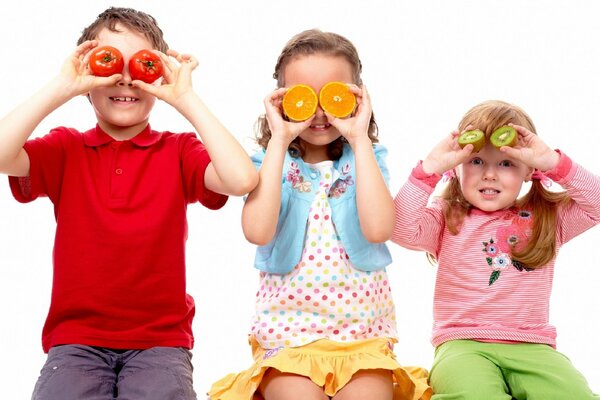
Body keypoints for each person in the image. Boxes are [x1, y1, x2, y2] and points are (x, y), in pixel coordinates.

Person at [0, 7, 257, 400]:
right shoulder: (66, 147)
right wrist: (61, 86)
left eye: (141, 65)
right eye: (108, 64)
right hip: (75, 339)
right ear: (87, 79)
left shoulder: (178, 150)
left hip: (161, 341)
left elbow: (241, 180)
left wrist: (184, 97)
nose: (124, 78)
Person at [208, 29, 431, 400]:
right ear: (281, 101)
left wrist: (359, 138)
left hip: (363, 337)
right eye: (303, 98)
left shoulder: (367, 159)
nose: (320, 112)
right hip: (288, 336)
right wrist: (278, 139)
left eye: (334, 96)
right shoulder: (268, 162)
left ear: (357, 97)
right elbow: (257, 232)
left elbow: (379, 229)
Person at [391, 100, 600, 399]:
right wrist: (429, 170)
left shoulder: (548, 217)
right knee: (473, 394)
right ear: (457, 169)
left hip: (532, 346)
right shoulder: (446, 215)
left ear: (530, 171)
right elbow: (399, 228)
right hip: (462, 345)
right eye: (476, 162)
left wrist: (553, 163)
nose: (489, 174)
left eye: (506, 163)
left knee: (573, 394)